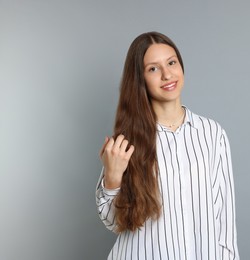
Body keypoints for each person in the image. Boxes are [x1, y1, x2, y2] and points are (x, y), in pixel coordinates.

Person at [96, 31, 239, 260]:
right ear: (140, 78)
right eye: (153, 68)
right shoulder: (126, 142)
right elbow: (114, 222)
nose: (167, 74)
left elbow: (224, 222)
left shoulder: (212, 134)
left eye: (171, 63)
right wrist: (112, 177)